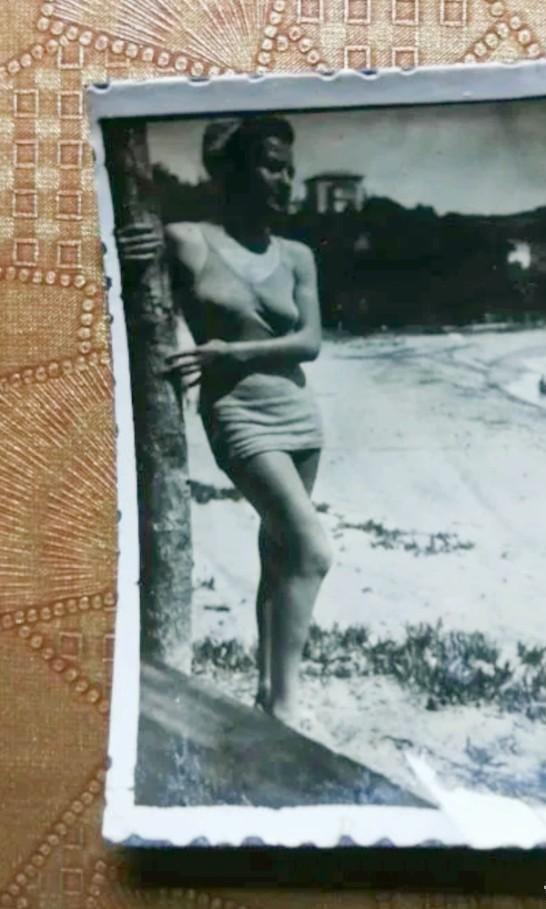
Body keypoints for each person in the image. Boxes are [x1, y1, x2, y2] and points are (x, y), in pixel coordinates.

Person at [118, 116, 331, 737]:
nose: (284, 180)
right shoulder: (189, 240)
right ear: (233, 171)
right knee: (313, 550)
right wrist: (124, 243)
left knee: (280, 554)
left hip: (299, 414)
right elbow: (115, 247)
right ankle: (289, 710)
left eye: (289, 168)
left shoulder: (298, 256)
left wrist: (228, 353)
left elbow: (310, 342)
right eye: (270, 166)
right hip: (238, 415)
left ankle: (269, 698)